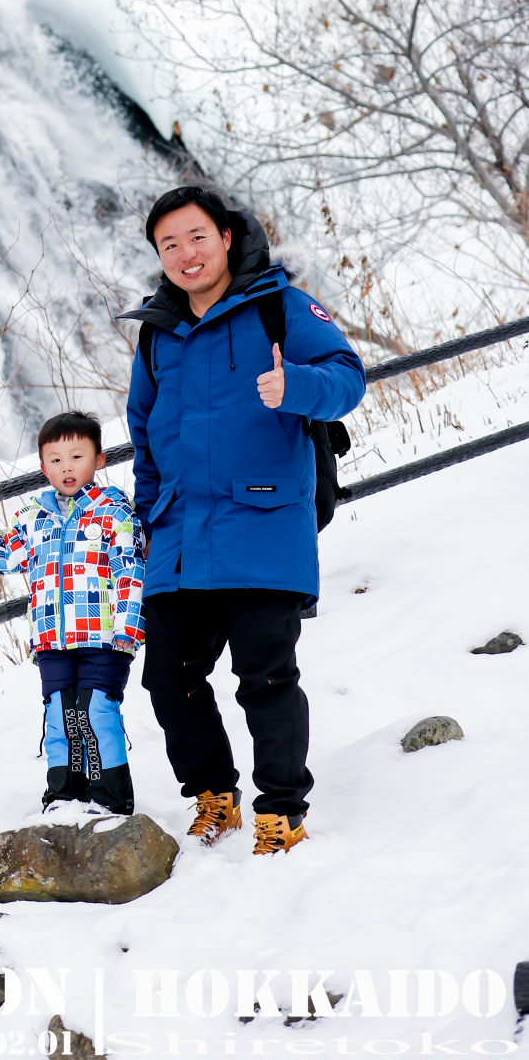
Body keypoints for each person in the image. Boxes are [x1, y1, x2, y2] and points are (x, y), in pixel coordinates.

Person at [123, 184, 366, 856]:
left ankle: (280, 810)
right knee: (169, 678)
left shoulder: (280, 308)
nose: (184, 253)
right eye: (168, 244)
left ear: (226, 237)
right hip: (177, 538)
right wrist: (150, 509)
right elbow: (141, 426)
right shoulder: (156, 332)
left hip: (262, 524)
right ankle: (213, 797)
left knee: (264, 676)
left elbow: (347, 377)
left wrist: (297, 389)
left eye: (195, 237)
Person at [0, 410, 144, 815]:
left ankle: (110, 796)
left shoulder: (114, 511)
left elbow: (130, 569)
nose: (67, 467)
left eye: (77, 457)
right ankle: (64, 795)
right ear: (43, 467)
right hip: (53, 638)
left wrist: (130, 626)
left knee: (95, 708)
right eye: (55, 460)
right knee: (60, 712)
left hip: (105, 637)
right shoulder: (35, 517)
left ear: (99, 459)